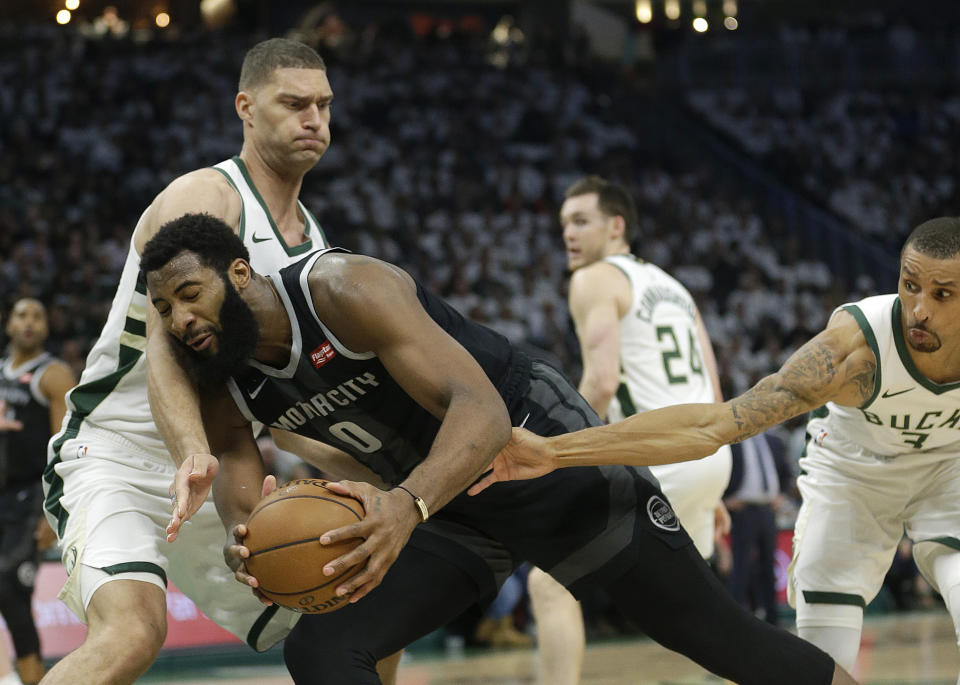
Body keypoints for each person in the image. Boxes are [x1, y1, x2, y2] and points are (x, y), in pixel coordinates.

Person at [138, 212, 856, 685]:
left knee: (719, 638)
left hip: (533, 448)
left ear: (239, 273)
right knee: (322, 649)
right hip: (441, 506)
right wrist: (249, 540)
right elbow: (238, 460)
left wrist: (405, 504)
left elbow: (478, 412)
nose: (182, 318)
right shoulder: (222, 371)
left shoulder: (342, 289)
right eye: (166, 309)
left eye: (190, 294)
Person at [40, 38, 404, 685]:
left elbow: (288, 415)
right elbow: (163, 345)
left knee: (364, 606)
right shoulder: (207, 196)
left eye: (323, 104)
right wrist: (189, 450)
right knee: (134, 630)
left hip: (219, 469)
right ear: (246, 107)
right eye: (293, 103)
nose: (313, 118)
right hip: (116, 456)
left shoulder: (314, 249)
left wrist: (394, 479)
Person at [472, 216, 960, 675]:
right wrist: (559, 451)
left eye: (942, 294)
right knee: (821, 656)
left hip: (947, 469)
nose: (918, 309)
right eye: (909, 284)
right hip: (855, 474)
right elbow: (714, 426)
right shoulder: (855, 351)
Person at [528, 176, 732, 683]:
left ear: (616, 225)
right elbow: (713, 383)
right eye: (563, 225)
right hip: (707, 451)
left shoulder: (594, 278)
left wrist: (554, 450)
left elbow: (599, 382)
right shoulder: (674, 287)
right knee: (697, 606)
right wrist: (712, 476)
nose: (568, 235)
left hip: (659, 453)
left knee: (549, 583)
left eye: (580, 221)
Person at [0, 300, 74, 685]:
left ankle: (31, 676)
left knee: (10, 588)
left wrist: (53, 510)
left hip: (31, 497)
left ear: (47, 327)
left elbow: (67, 445)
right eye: (21, 315)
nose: (28, 322)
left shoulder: (54, 374)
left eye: (37, 316)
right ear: (8, 323)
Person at [723, 430, 793, 625]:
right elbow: (719, 472)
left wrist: (782, 495)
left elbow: (786, 472)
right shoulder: (731, 443)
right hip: (742, 509)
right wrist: (724, 499)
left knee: (768, 566)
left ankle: (772, 620)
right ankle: (734, 620)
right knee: (741, 566)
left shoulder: (773, 440)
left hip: (768, 510)